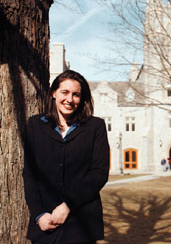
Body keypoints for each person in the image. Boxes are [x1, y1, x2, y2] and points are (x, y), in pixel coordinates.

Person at [23, 70, 110, 244]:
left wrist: (67, 206)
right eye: (65, 92)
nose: (70, 100)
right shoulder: (35, 124)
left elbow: (99, 173)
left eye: (76, 94)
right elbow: (30, 174)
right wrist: (39, 215)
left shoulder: (95, 126)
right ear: (54, 93)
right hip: (45, 223)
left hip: (81, 223)